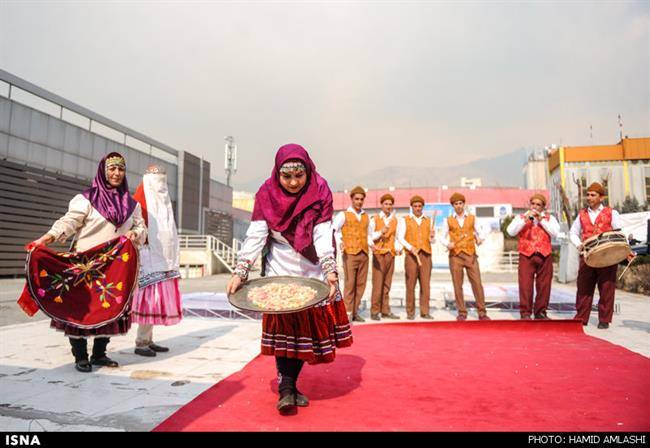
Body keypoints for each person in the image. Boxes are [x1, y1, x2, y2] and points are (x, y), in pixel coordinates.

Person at [226, 144, 352, 413]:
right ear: (277, 175)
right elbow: (257, 234)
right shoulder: (266, 193)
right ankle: (286, 389)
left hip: (312, 265)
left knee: (304, 331)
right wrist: (241, 270)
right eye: (287, 177)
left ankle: (291, 384)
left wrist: (330, 269)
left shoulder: (319, 190)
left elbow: (321, 233)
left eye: (299, 176)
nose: (294, 183)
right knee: (284, 330)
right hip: (280, 266)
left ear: (307, 171)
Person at [22, 152, 146, 372]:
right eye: (112, 169)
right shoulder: (87, 199)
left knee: (110, 308)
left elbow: (141, 227)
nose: (116, 173)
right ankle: (80, 356)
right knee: (81, 308)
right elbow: (69, 222)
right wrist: (47, 238)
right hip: (86, 264)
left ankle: (100, 354)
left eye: (120, 169)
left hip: (114, 266)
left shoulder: (131, 204)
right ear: (103, 171)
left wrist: (136, 234)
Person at [131, 165, 182, 357]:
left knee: (154, 300)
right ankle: (141, 342)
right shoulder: (140, 199)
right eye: (156, 179)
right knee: (148, 301)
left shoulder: (164, 200)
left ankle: (147, 339)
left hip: (162, 256)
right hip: (147, 257)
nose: (160, 184)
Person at [570, 182, 635, 329]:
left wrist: (623, 249)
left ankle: (604, 319)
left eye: (593, 195)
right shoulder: (582, 214)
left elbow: (619, 232)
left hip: (608, 256)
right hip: (588, 256)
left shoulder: (611, 213)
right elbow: (573, 233)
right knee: (584, 287)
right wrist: (579, 244)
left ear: (601, 197)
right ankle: (581, 317)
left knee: (607, 287)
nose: (589, 197)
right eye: (588, 194)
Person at [507, 194, 560, 320]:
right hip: (526, 254)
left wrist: (541, 220)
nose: (535, 207)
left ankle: (541, 312)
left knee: (544, 285)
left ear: (543, 207)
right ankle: (525, 312)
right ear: (530, 205)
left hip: (544, 254)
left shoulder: (549, 218)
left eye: (538, 205)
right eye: (533, 204)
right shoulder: (521, 217)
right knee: (525, 284)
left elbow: (555, 233)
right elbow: (511, 231)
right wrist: (525, 220)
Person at [440, 192, 490, 321]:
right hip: (455, 256)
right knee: (457, 285)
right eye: (456, 204)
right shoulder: (448, 220)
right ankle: (462, 312)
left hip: (470, 255)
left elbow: (482, 231)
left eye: (460, 203)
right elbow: (442, 236)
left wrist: (480, 238)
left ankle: (482, 312)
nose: (459, 206)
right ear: (453, 206)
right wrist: (447, 243)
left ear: (464, 204)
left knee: (477, 283)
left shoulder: (473, 218)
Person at [333, 186, 371, 322]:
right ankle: (347, 313)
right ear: (351, 199)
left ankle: (355, 312)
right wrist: (340, 241)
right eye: (357, 199)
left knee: (361, 285)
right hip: (350, 254)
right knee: (349, 284)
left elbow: (369, 235)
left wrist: (374, 243)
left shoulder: (366, 216)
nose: (359, 201)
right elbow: (334, 230)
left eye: (361, 199)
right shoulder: (343, 215)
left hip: (364, 254)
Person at [396, 195, 435, 320]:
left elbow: (433, 241)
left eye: (419, 206)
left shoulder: (428, 221)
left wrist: (432, 238)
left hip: (426, 256)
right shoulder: (404, 220)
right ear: (411, 207)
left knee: (425, 285)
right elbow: (400, 237)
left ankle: (425, 311)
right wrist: (410, 247)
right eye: (415, 206)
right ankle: (410, 312)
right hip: (411, 256)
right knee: (410, 284)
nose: (417, 208)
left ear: (422, 207)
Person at [368, 194, 401, 321]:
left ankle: (385, 310)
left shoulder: (395, 220)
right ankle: (375, 311)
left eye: (390, 204)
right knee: (377, 284)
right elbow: (369, 237)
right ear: (382, 205)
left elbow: (396, 237)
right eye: (386, 204)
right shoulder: (374, 219)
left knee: (387, 284)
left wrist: (398, 249)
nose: (388, 206)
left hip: (390, 254)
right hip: (378, 254)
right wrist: (380, 232)